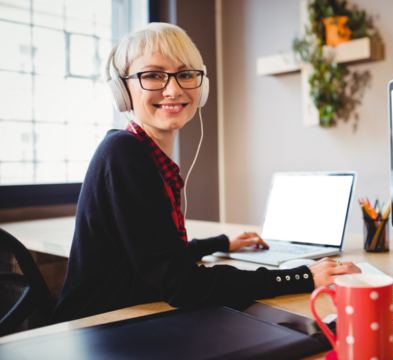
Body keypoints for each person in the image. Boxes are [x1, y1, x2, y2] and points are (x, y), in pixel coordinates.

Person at [50, 23, 361, 324]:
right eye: (153, 75)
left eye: (185, 74)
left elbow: (156, 254)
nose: (173, 89)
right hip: (97, 331)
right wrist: (300, 276)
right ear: (122, 90)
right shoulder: (124, 155)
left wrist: (220, 242)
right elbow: (182, 285)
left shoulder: (142, 154)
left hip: (130, 318)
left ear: (201, 87)